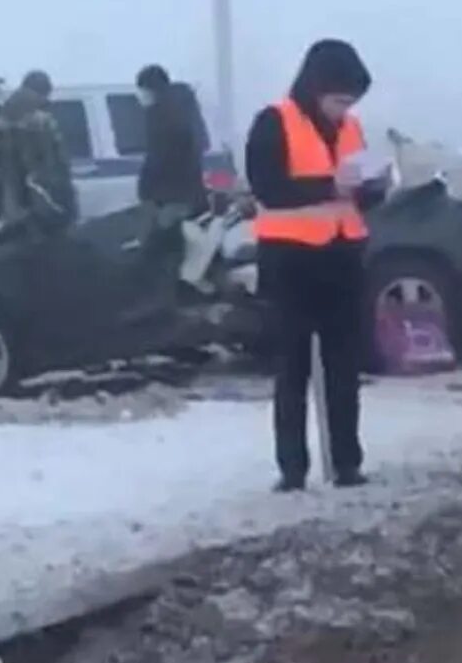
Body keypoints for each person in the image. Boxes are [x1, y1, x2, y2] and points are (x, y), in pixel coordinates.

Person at [245, 39, 389, 492]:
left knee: (344, 365)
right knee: (292, 367)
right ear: (315, 88)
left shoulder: (353, 128)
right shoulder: (274, 121)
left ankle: (347, 462)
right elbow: (269, 188)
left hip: (342, 257)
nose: (342, 111)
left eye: (350, 103)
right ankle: (292, 468)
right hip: (290, 261)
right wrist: (331, 185)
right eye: (337, 101)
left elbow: (359, 195)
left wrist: (374, 187)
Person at [0, 69, 79, 226]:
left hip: (13, 197)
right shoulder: (40, 119)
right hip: (41, 192)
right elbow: (52, 159)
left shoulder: (4, 113)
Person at [135, 64, 212, 215]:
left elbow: (158, 157)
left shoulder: (160, 115)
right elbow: (202, 144)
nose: (142, 96)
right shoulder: (186, 109)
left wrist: (145, 190)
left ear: (153, 89)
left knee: (166, 236)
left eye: (144, 90)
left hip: (169, 198)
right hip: (191, 195)